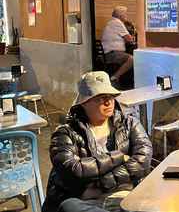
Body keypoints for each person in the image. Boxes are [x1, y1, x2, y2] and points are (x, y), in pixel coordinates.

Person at [42, 71, 153, 212]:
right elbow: (74, 170)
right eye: (100, 98)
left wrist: (102, 185)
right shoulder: (65, 133)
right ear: (84, 103)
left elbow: (143, 161)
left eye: (111, 96)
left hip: (124, 194)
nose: (109, 102)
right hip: (88, 201)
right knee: (69, 207)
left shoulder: (130, 124)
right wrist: (119, 157)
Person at [101, 6, 135, 85]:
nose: (126, 16)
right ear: (121, 15)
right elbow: (129, 39)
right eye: (125, 14)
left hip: (110, 54)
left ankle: (120, 81)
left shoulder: (111, 22)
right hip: (112, 54)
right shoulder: (117, 22)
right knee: (132, 59)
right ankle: (114, 78)